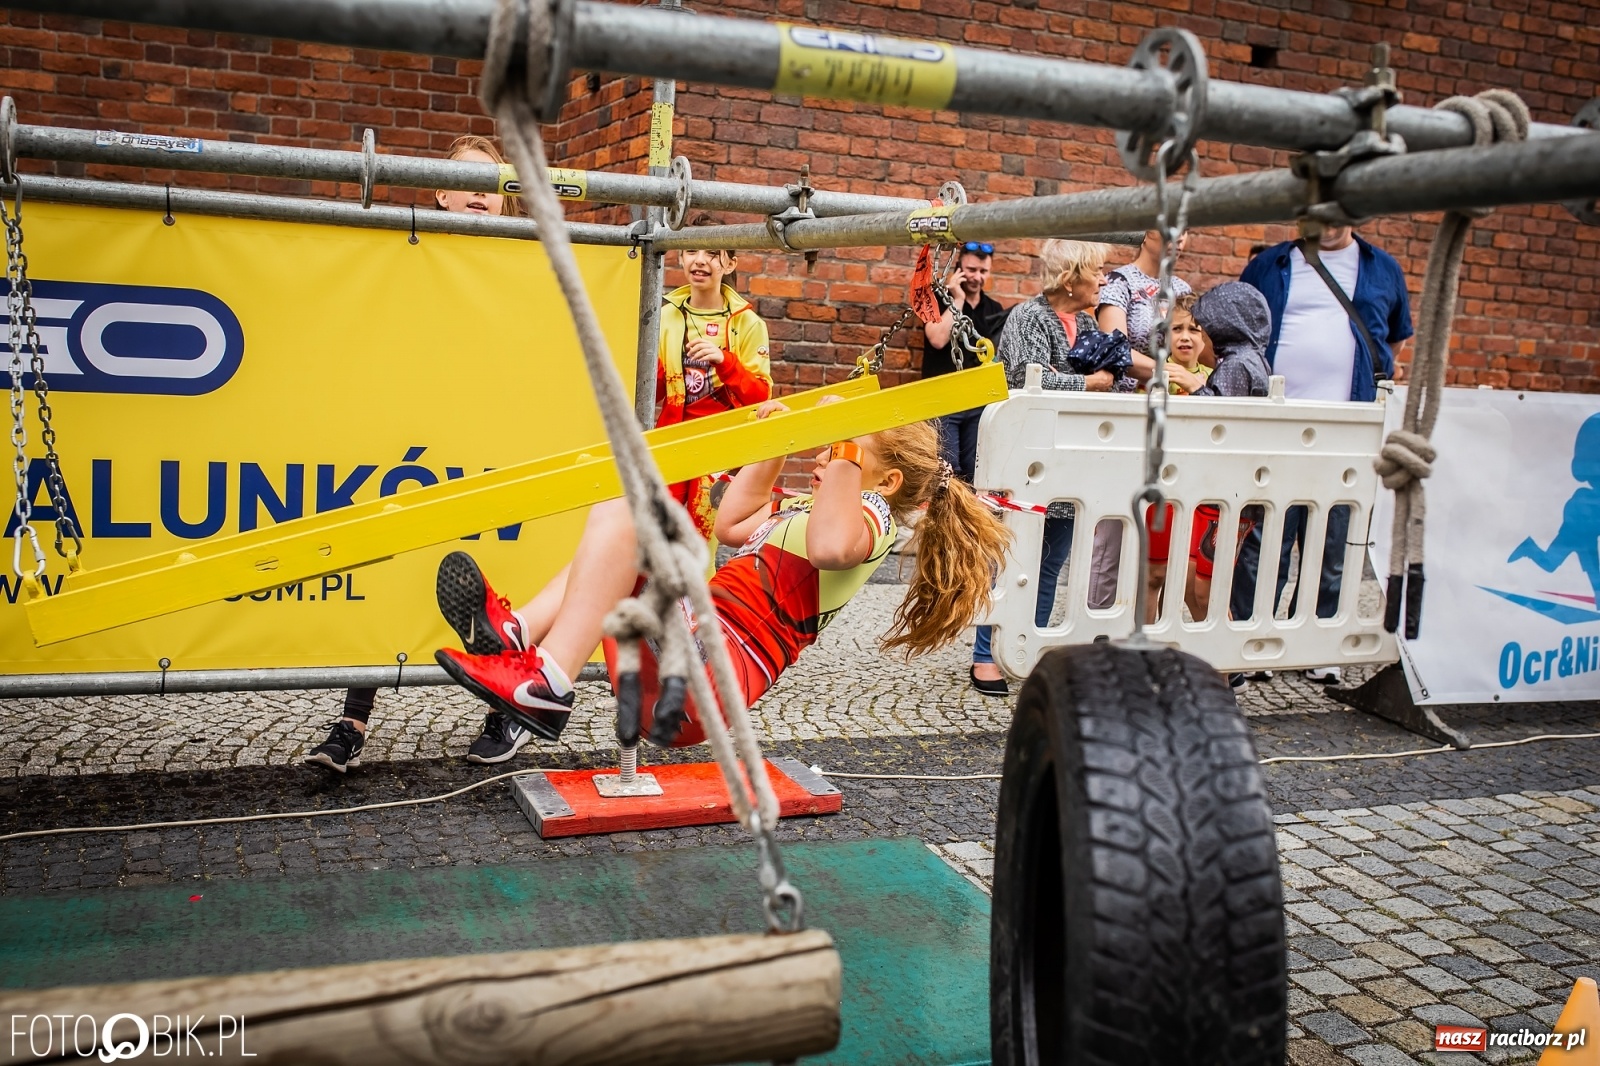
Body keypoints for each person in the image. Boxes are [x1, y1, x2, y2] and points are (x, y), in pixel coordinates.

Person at [431, 404, 1012, 744]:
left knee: (640, 515)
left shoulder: (872, 522)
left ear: (882, 482)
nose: (826, 461)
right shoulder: (807, 514)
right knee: (622, 528)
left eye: (842, 454)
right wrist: (774, 450)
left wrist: (844, 447)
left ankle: (548, 686)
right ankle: (521, 640)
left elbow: (831, 547)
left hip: (714, 675)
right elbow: (732, 522)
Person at [306, 134, 524, 774]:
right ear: (440, 193)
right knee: (389, 569)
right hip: (412, 446)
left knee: (503, 573)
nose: (482, 193)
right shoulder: (408, 253)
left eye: (495, 183)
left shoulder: (529, 265)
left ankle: (505, 708)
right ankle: (353, 721)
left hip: (499, 442)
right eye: (468, 181)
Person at [1229, 224, 1414, 683]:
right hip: (1277, 424)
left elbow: (1394, 340)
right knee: (1264, 538)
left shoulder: (1382, 268)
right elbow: (1243, 328)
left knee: (1335, 542)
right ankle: (1254, 638)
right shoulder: (1269, 264)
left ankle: (1318, 646)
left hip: (1348, 429)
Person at [970, 239, 1131, 697]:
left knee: (1051, 564)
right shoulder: (1028, 316)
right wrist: (1090, 383)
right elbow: (1024, 378)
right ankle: (987, 655)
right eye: (1097, 272)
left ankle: (1030, 647)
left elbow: (1108, 379)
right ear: (1070, 276)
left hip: (1070, 466)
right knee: (1016, 561)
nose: (1103, 280)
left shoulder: (1084, 321)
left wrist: (1105, 382)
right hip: (1027, 462)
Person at [1147, 284, 1274, 622]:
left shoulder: (1236, 365)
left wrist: (1194, 387)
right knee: (1194, 587)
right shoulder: (1251, 360)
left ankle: (1226, 671)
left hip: (1224, 493)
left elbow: (1218, 424)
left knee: (1204, 592)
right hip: (1229, 490)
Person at [655, 214, 774, 536]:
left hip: (720, 445)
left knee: (700, 536)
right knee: (654, 533)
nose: (700, 260)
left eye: (712, 253)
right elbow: (648, 393)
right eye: (691, 250)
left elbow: (760, 397)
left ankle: (697, 589)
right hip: (671, 439)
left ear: (731, 264)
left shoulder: (748, 324)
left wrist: (725, 361)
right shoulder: (662, 315)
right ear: (679, 255)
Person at [920, 240, 1010, 482]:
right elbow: (938, 339)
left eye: (983, 272)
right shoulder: (939, 299)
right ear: (959, 268)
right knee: (946, 466)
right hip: (943, 399)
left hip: (977, 401)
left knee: (973, 468)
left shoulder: (993, 308)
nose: (977, 277)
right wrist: (956, 299)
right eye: (971, 270)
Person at [1096, 229, 1196, 385]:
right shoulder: (1118, 282)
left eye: (1184, 231)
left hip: (1172, 395)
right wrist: (1174, 374)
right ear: (1144, 234)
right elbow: (1115, 350)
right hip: (1126, 396)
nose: (1179, 238)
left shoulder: (1182, 289)